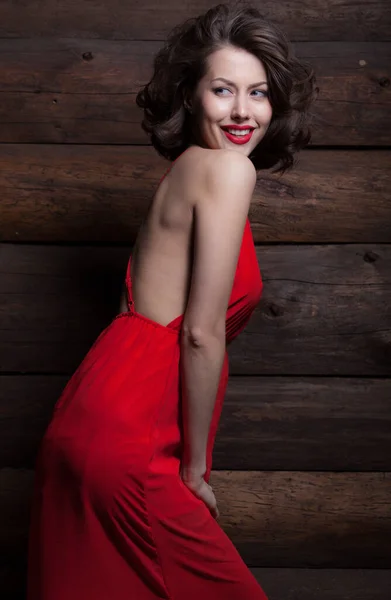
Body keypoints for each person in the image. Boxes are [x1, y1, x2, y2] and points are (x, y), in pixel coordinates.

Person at [27, 3, 317, 599]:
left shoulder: (188, 170)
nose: (243, 111)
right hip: (133, 435)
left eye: (259, 93)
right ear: (190, 95)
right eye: (223, 90)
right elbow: (200, 332)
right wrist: (195, 471)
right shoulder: (227, 173)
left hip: (94, 411)